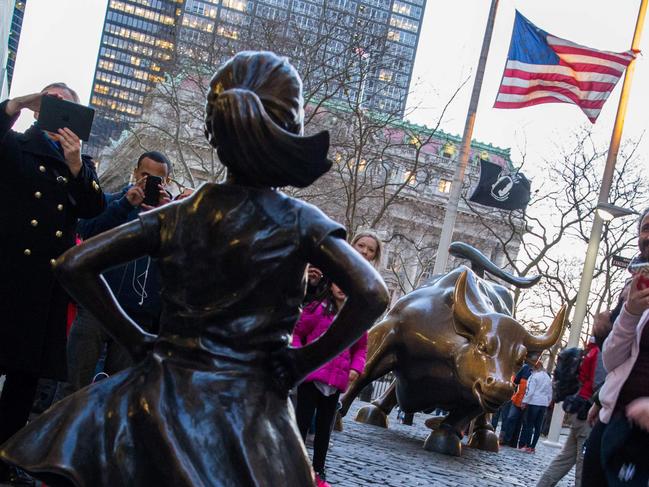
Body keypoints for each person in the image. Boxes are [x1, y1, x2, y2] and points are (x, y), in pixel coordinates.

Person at [0, 51, 389, 486]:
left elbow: (74, 264)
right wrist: (302, 361)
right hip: (251, 407)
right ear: (289, 131)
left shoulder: (181, 213)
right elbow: (372, 294)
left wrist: (138, 338)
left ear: (212, 131)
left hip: (160, 394)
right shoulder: (301, 221)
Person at [0, 83, 105, 484]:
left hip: (43, 287)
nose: (60, 109)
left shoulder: (79, 162)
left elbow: (94, 207)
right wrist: (14, 105)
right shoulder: (13, 144)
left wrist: (77, 165)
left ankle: (4, 457)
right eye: (52, 100)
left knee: (25, 380)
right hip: (6, 273)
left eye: (69, 106)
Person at [62, 151, 172, 394]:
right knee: (73, 387)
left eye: (158, 179)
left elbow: (183, 257)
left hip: (137, 318)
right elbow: (86, 231)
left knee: (119, 395)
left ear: (168, 183)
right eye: (145, 175)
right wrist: (125, 205)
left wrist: (170, 213)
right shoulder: (111, 202)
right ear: (135, 173)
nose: (149, 182)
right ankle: (62, 430)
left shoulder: (172, 217)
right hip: (97, 306)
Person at [582, 207, 649, 487]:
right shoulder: (634, 288)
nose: (648, 235)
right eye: (645, 228)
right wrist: (630, 313)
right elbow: (612, 360)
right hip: (612, 421)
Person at [294, 283, 368, 485]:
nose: (342, 287)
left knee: (324, 429)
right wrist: (301, 356)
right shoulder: (317, 308)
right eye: (338, 282)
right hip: (312, 377)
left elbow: (361, 347)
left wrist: (355, 368)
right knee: (301, 423)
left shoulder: (355, 316)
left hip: (335, 382)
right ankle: (296, 465)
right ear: (331, 284)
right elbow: (298, 332)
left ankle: (319, 467)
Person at [518, 358, 552, 453]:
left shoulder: (534, 377)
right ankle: (533, 447)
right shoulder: (548, 377)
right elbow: (550, 392)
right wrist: (548, 401)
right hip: (543, 403)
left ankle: (527, 445)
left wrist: (524, 402)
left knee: (529, 424)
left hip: (534, 402)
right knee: (538, 426)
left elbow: (530, 391)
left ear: (534, 368)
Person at [501, 362, 532, 446]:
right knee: (511, 418)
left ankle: (514, 443)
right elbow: (516, 380)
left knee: (520, 422)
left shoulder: (538, 372)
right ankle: (507, 439)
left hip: (529, 402)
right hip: (518, 399)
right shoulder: (525, 368)